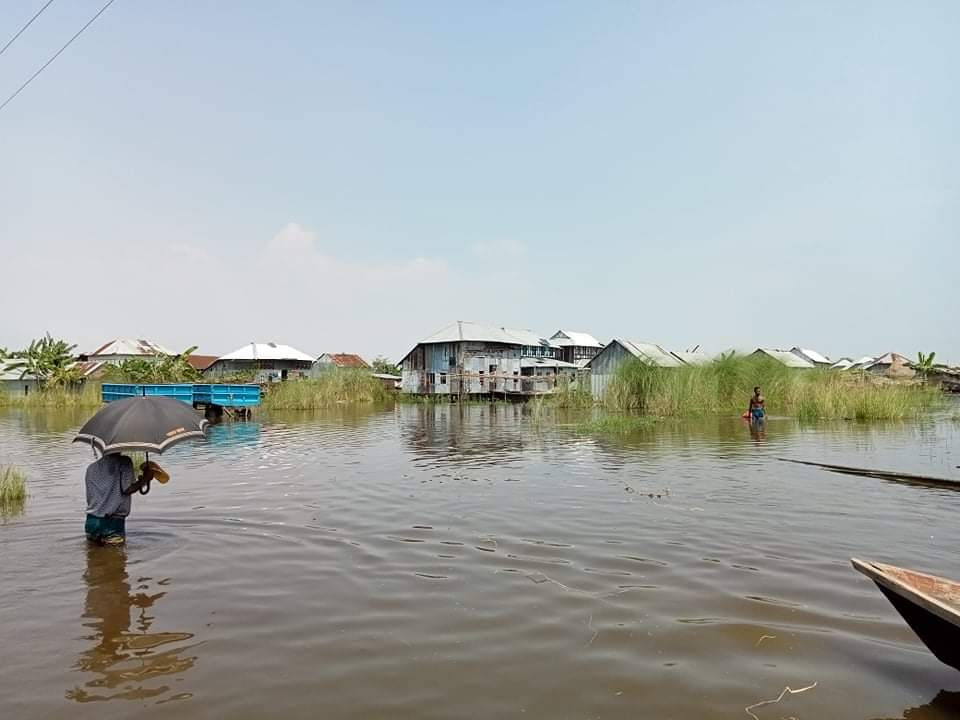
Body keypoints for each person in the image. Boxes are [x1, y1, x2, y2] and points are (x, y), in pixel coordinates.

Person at [84, 454, 156, 545]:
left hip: (91, 522)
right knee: (117, 556)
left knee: (93, 554)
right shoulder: (124, 462)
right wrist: (146, 478)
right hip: (113, 523)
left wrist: (141, 481)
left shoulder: (91, 467)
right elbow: (127, 489)